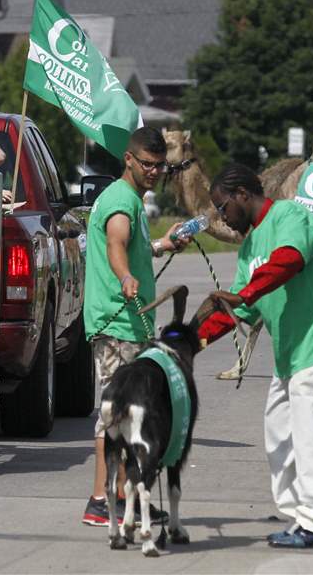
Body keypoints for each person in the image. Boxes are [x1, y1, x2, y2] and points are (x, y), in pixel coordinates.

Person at [193, 163, 313, 549]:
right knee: (279, 435)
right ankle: (300, 516)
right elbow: (237, 308)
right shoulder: (251, 245)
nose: (222, 217)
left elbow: (289, 259)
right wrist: (187, 342)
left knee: (312, 437)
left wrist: (246, 294)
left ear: (242, 195)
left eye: (222, 207)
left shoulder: (289, 214)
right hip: (293, 355)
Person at [81, 126, 190, 528]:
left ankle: (125, 495)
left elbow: (133, 244)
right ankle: (100, 499)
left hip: (133, 324)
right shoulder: (120, 202)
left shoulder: (130, 200)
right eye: (148, 164)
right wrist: (125, 277)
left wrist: (162, 244)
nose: (155, 172)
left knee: (132, 415)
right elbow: (115, 243)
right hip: (117, 325)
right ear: (129, 159)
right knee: (114, 414)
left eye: (161, 166)